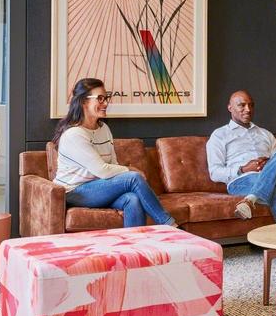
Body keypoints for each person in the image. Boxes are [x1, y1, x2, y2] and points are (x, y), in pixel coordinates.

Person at [53, 78, 180, 228]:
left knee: (132, 199)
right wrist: (129, 169)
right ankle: (170, 225)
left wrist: (121, 176)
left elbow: (113, 164)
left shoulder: (104, 129)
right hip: (75, 192)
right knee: (134, 178)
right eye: (100, 98)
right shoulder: (74, 134)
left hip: (99, 188)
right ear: (83, 102)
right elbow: (102, 170)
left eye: (106, 98)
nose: (106, 103)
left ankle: (134, 242)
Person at [205, 90, 276, 224]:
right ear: (230, 108)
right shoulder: (219, 135)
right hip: (241, 181)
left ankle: (251, 199)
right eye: (242, 105)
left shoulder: (266, 134)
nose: (248, 109)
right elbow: (214, 172)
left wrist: (268, 164)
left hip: (268, 175)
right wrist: (243, 169)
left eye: (251, 105)